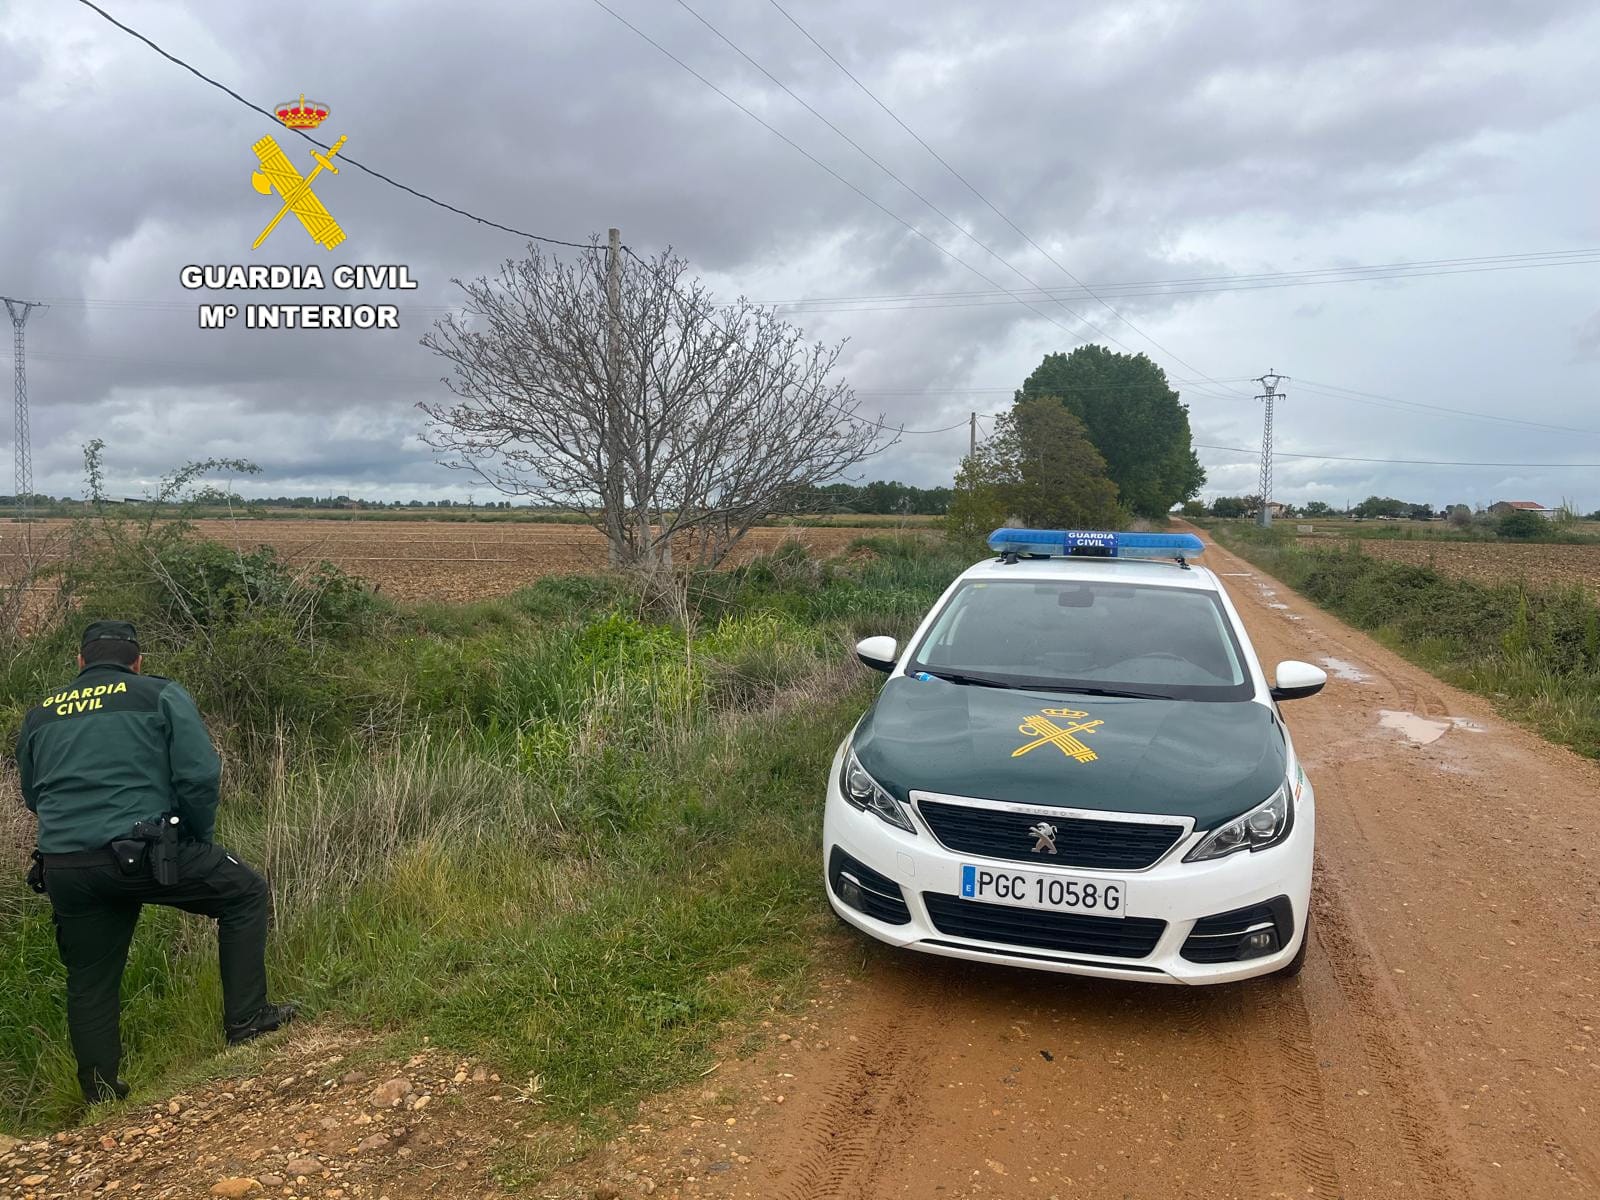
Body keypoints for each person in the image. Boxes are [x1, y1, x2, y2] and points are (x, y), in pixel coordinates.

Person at [16, 620, 295, 1103]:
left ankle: (101, 1095)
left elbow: (32, 792)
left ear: (81, 662)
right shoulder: (157, 694)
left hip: (65, 866)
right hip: (146, 854)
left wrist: (76, 831)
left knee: (90, 978)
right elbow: (200, 775)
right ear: (137, 661)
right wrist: (196, 839)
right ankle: (248, 1022)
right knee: (244, 892)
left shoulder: (42, 712)